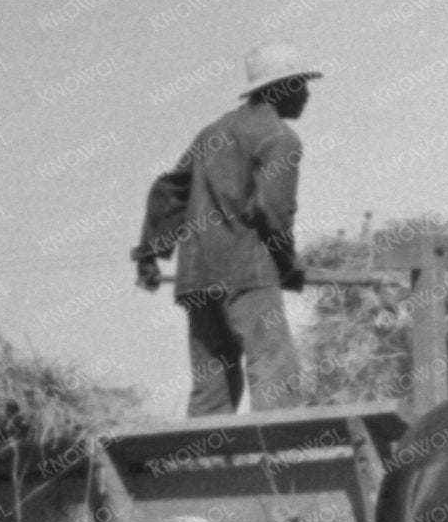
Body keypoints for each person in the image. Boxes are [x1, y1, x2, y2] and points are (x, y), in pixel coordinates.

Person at [135, 40, 319, 416]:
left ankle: (201, 470)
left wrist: (150, 253)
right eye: (301, 84)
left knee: (211, 390)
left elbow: (169, 190)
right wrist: (287, 264)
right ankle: (282, 471)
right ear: (281, 89)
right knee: (276, 374)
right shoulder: (280, 139)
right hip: (247, 276)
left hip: (197, 279)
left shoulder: (212, 132)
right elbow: (271, 211)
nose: (307, 95)